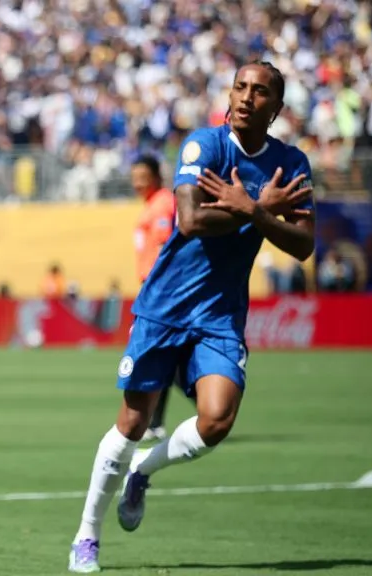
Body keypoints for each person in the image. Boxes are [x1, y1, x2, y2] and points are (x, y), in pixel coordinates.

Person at [67, 61, 316, 573]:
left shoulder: (290, 163)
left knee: (217, 420)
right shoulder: (205, 145)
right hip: (166, 304)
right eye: (240, 87)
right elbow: (191, 219)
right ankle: (86, 535)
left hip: (221, 313)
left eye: (259, 91)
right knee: (133, 420)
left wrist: (254, 210)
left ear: (276, 107)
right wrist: (257, 207)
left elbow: (303, 245)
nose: (245, 97)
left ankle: (142, 472)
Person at [130, 154, 194, 443]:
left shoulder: (161, 204)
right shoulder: (153, 204)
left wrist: (155, 289)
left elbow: (163, 246)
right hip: (153, 287)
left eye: (143, 177)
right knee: (164, 353)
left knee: (158, 352)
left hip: (159, 289)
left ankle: (211, 401)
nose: (137, 182)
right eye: (134, 177)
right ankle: (156, 423)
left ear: (156, 177)